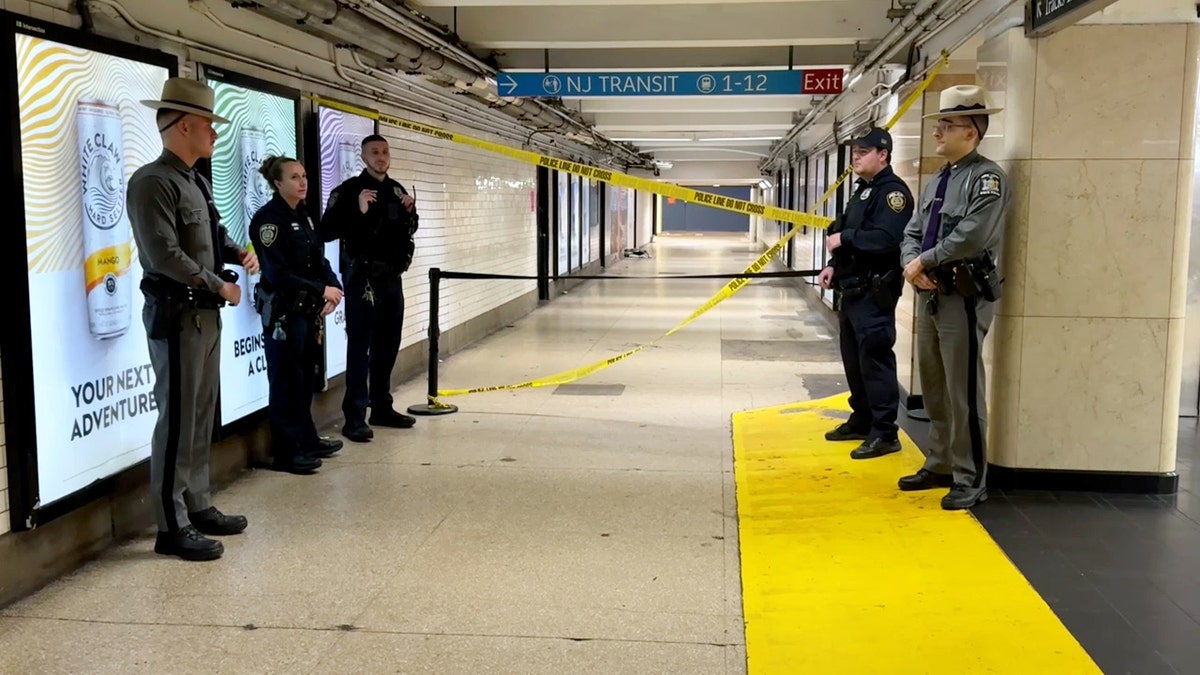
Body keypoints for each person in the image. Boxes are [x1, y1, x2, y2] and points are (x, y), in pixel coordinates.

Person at [128, 78, 260, 561]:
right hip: (178, 312)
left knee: (201, 416)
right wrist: (217, 283)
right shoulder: (152, 182)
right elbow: (163, 254)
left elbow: (215, 232)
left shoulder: (194, 179)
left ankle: (198, 503)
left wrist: (239, 253)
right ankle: (171, 525)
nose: (215, 135)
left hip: (203, 316)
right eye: (209, 126)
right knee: (178, 418)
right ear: (184, 125)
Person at [899, 85, 1010, 510]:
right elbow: (913, 231)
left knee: (962, 389)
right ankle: (941, 460)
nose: (938, 132)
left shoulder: (987, 179)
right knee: (934, 386)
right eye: (939, 125)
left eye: (947, 125)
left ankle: (970, 477)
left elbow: (972, 236)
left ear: (972, 132)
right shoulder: (938, 180)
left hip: (962, 296)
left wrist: (922, 261)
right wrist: (915, 264)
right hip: (930, 294)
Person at [818, 127, 914, 460]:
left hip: (875, 292)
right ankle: (862, 418)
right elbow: (843, 230)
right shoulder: (862, 191)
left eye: (863, 151)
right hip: (851, 289)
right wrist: (833, 263)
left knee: (874, 360)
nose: (856, 157)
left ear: (883, 155)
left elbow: (885, 239)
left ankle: (885, 432)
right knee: (854, 360)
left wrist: (846, 239)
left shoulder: (893, 194)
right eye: (854, 151)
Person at [319, 134, 419, 443]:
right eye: (374, 152)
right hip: (363, 279)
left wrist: (411, 211)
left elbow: (409, 230)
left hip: (392, 279)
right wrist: (358, 210)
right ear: (363, 157)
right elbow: (326, 231)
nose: (381, 156)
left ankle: (382, 407)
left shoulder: (396, 190)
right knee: (360, 346)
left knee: (388, 344)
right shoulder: (348, 191)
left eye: (385, 151)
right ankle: (354, 417)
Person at [249, 156, 345, 475]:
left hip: (306, 312)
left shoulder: (304, 215)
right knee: (287, 382)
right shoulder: (269, 221)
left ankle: (306, 438)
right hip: (283, 314)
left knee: (304, 380)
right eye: (294, 177)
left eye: (304, 175)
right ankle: (287, 452)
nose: (302, 182)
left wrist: (334, 285)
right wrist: (321, 290)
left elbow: (318, 259)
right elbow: (278, 273)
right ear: (277, 184)